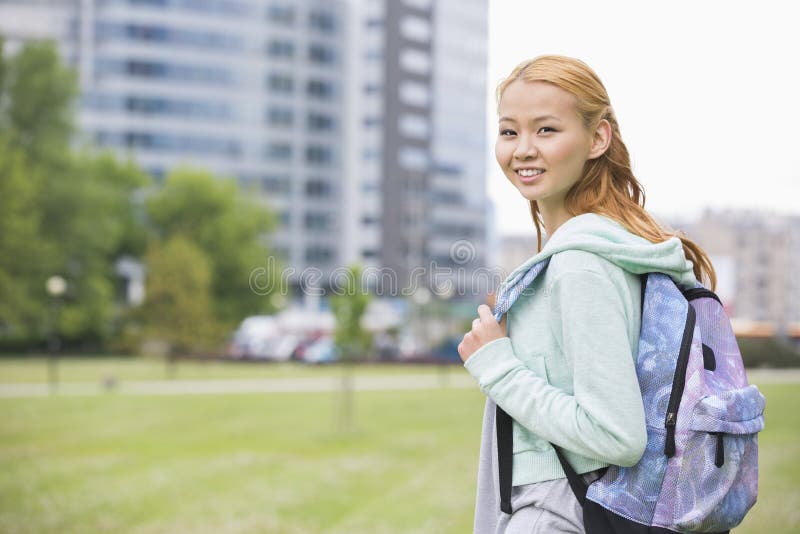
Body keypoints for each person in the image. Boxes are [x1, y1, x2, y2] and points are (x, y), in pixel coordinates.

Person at [457, 55, 717, 534]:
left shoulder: (580, 263)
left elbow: (615, 435)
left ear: (598, 139)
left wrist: (497, 365)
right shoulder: (611, 249)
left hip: (558, 513)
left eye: (547, 130)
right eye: (510, 131)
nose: (523, 150)